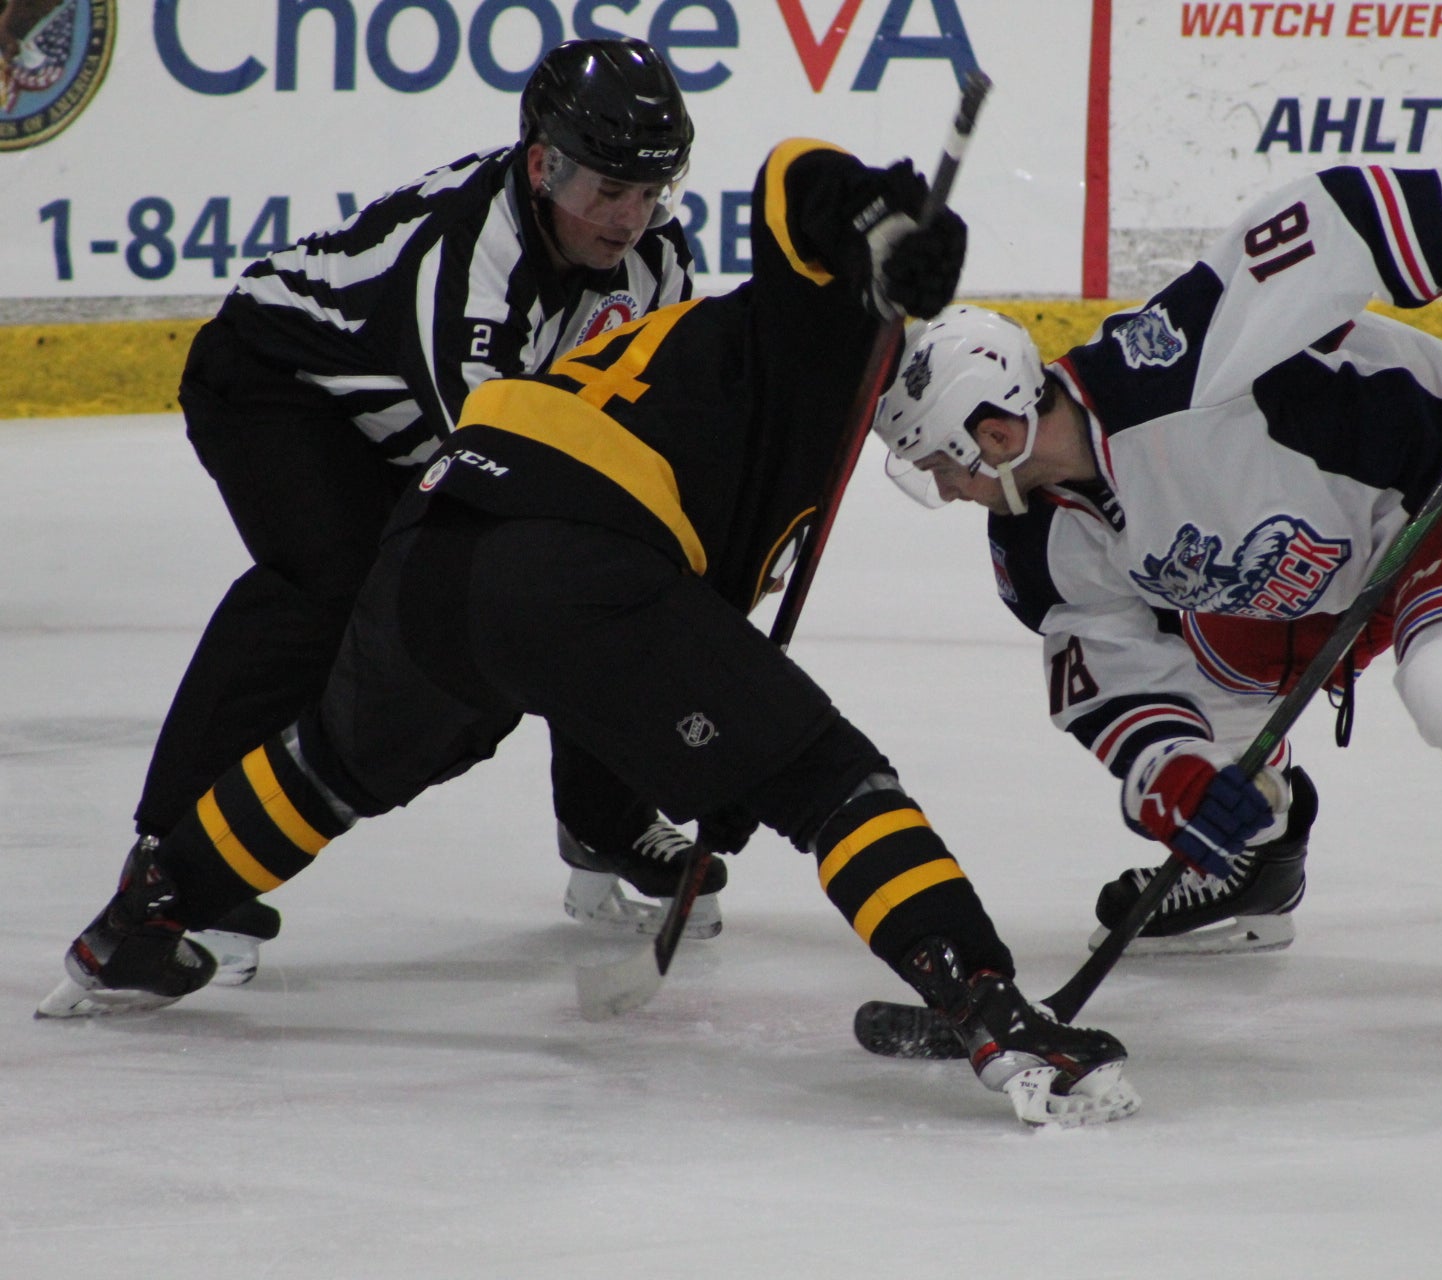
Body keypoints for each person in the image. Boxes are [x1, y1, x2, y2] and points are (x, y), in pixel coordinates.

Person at [36, 136, 1142, 1130]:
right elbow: (793, 175)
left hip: (440, 535)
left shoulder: (709, 367)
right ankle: (996, 1013)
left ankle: (143, 915)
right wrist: (875, 219)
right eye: (941, 456)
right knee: (830, 780)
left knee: (331, 759)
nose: (949, 485)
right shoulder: (832, 332)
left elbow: (640, 661)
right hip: (567, 551)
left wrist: (689, 755)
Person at [868, 163, 1442, 1087]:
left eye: (938, 465)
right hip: (1306, 580)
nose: (943, 490)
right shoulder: (1036, 538)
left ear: (992, 436)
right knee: (1192, 677)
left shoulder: (1175, 359)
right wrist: (1181, 779)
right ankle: (1256, 867)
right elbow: (1108, 672)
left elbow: (1343, 210)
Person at [133, 37, 720, 985]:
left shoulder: (655, 261)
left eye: (651, 192)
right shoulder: (468, 263)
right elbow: (500, 474)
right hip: (284, 387)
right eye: (609, 190)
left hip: (419, 426)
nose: (630, 217)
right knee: (328, 590)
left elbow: (654, 436)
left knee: (617, 570)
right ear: (545, 164)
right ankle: (167, 857)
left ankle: (603, 818)